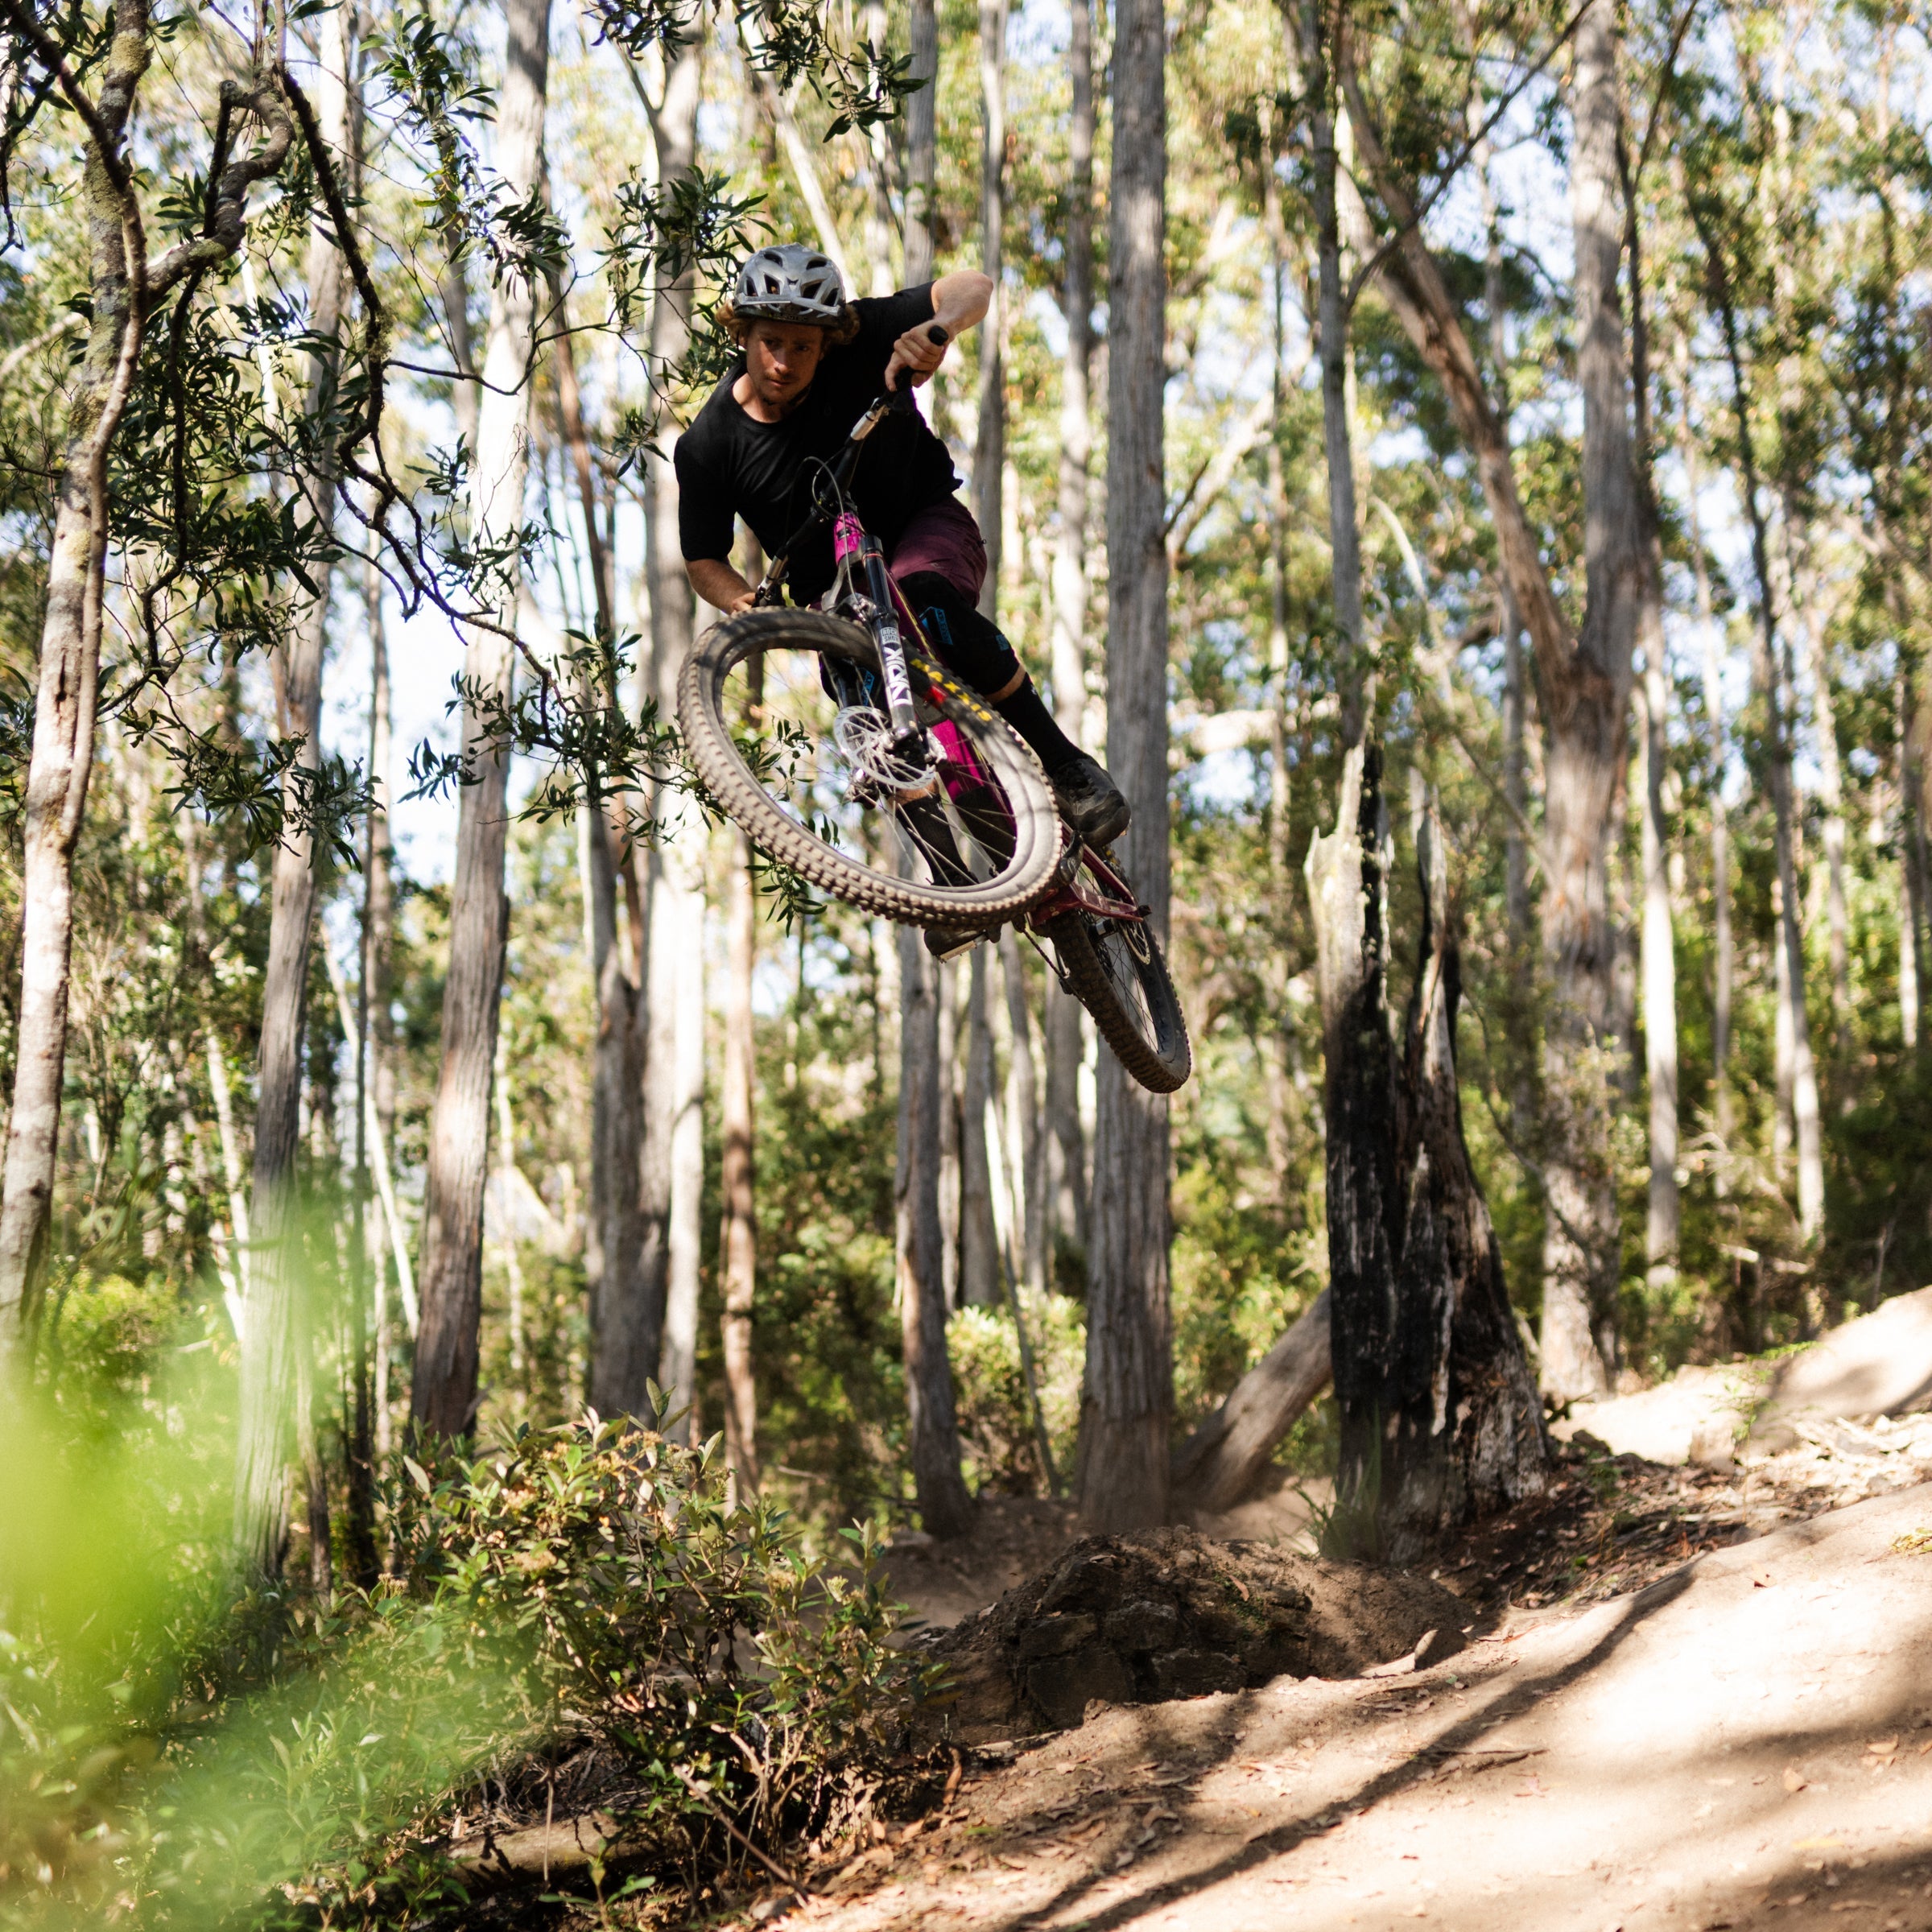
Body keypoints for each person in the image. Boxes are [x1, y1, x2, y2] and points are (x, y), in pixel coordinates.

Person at [675, 241, 1129, 850]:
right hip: (830, 592)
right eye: (770, 342)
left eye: (803, 346)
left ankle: (1068, 766)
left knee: (924, 598)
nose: (784, 361)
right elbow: (704, 558)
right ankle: (946, 872)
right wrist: (744, 604)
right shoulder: (709, 444)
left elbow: (974, 284)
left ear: (828, 342)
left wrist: (936, 332)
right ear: (743, 335)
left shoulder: (865, 336)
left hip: (926, 525)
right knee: (864, 710)